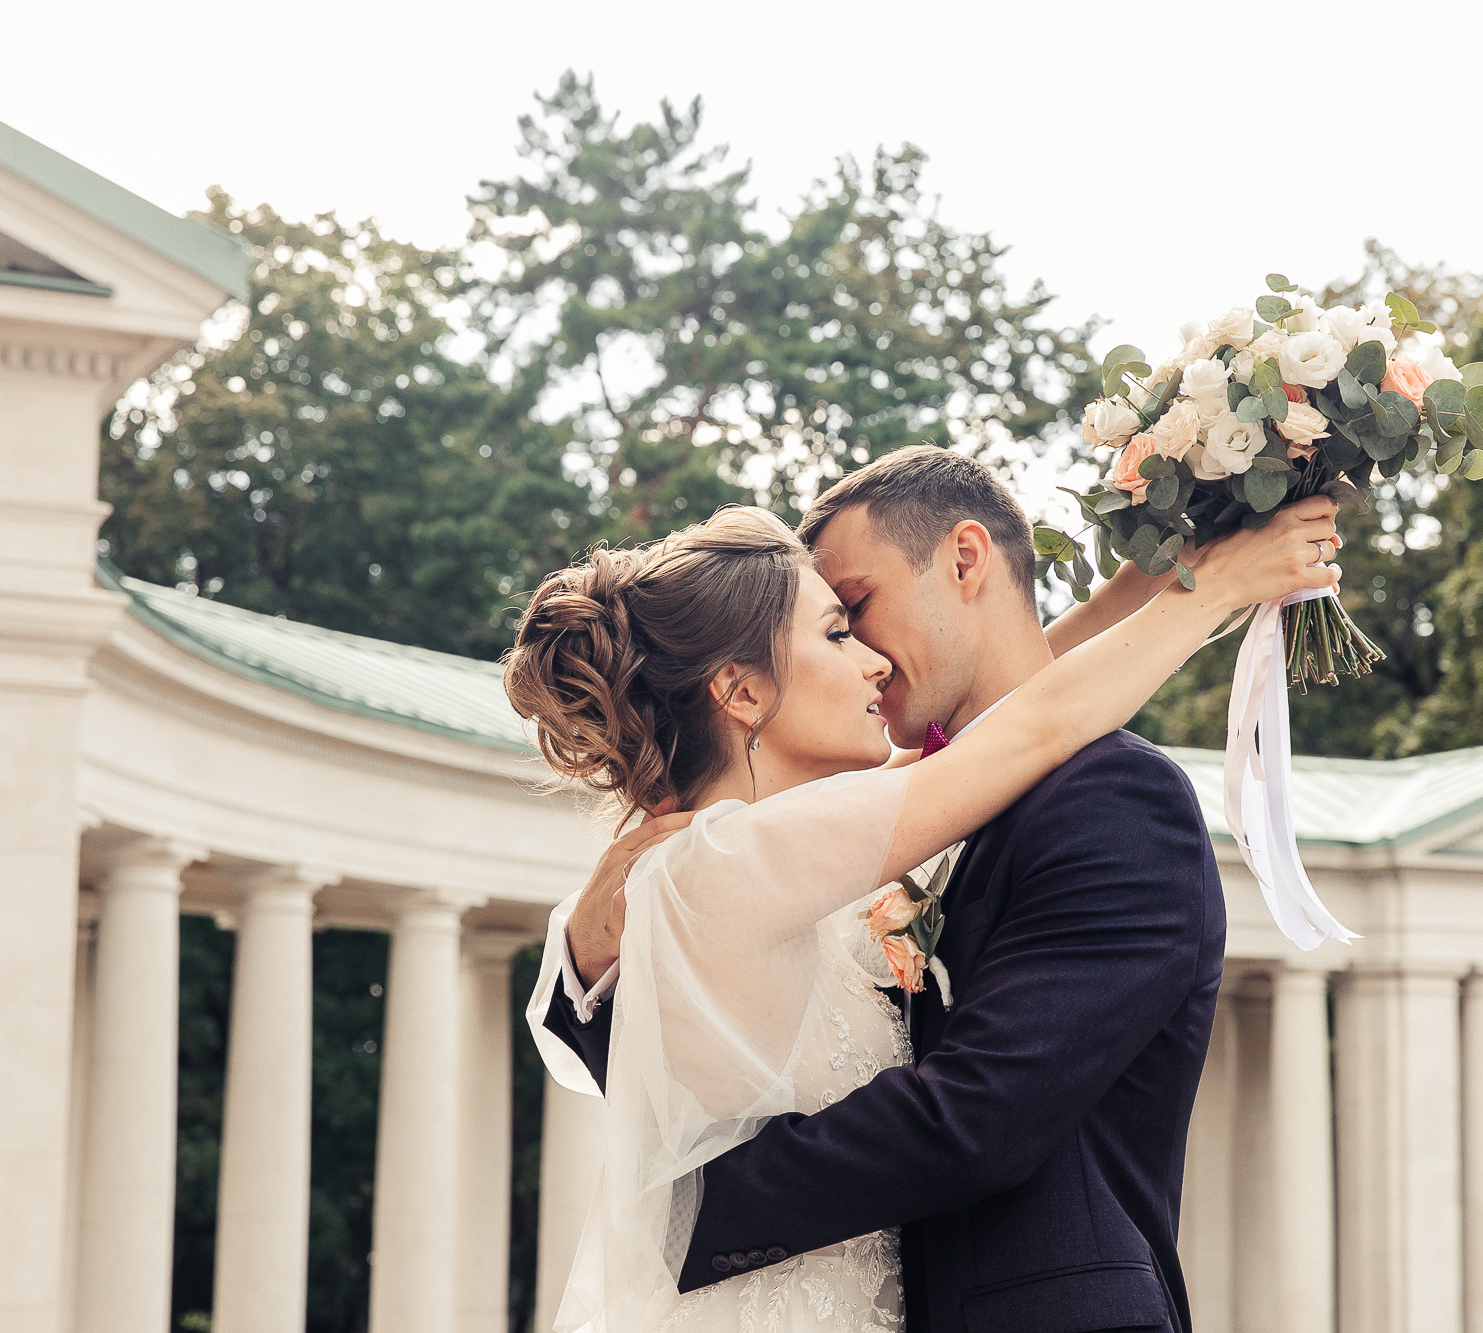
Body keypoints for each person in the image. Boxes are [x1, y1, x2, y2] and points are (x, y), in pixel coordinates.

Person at [507, 446, 1341, 1331]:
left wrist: (1165, 572)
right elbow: (1028, 727)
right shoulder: (743, 851)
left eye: (856, 610)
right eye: (837, 631)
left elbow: (1011, 718)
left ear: (966, 560)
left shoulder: (1072, 799)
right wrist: (1213, 589)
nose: (868, 657)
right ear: (741, 691)